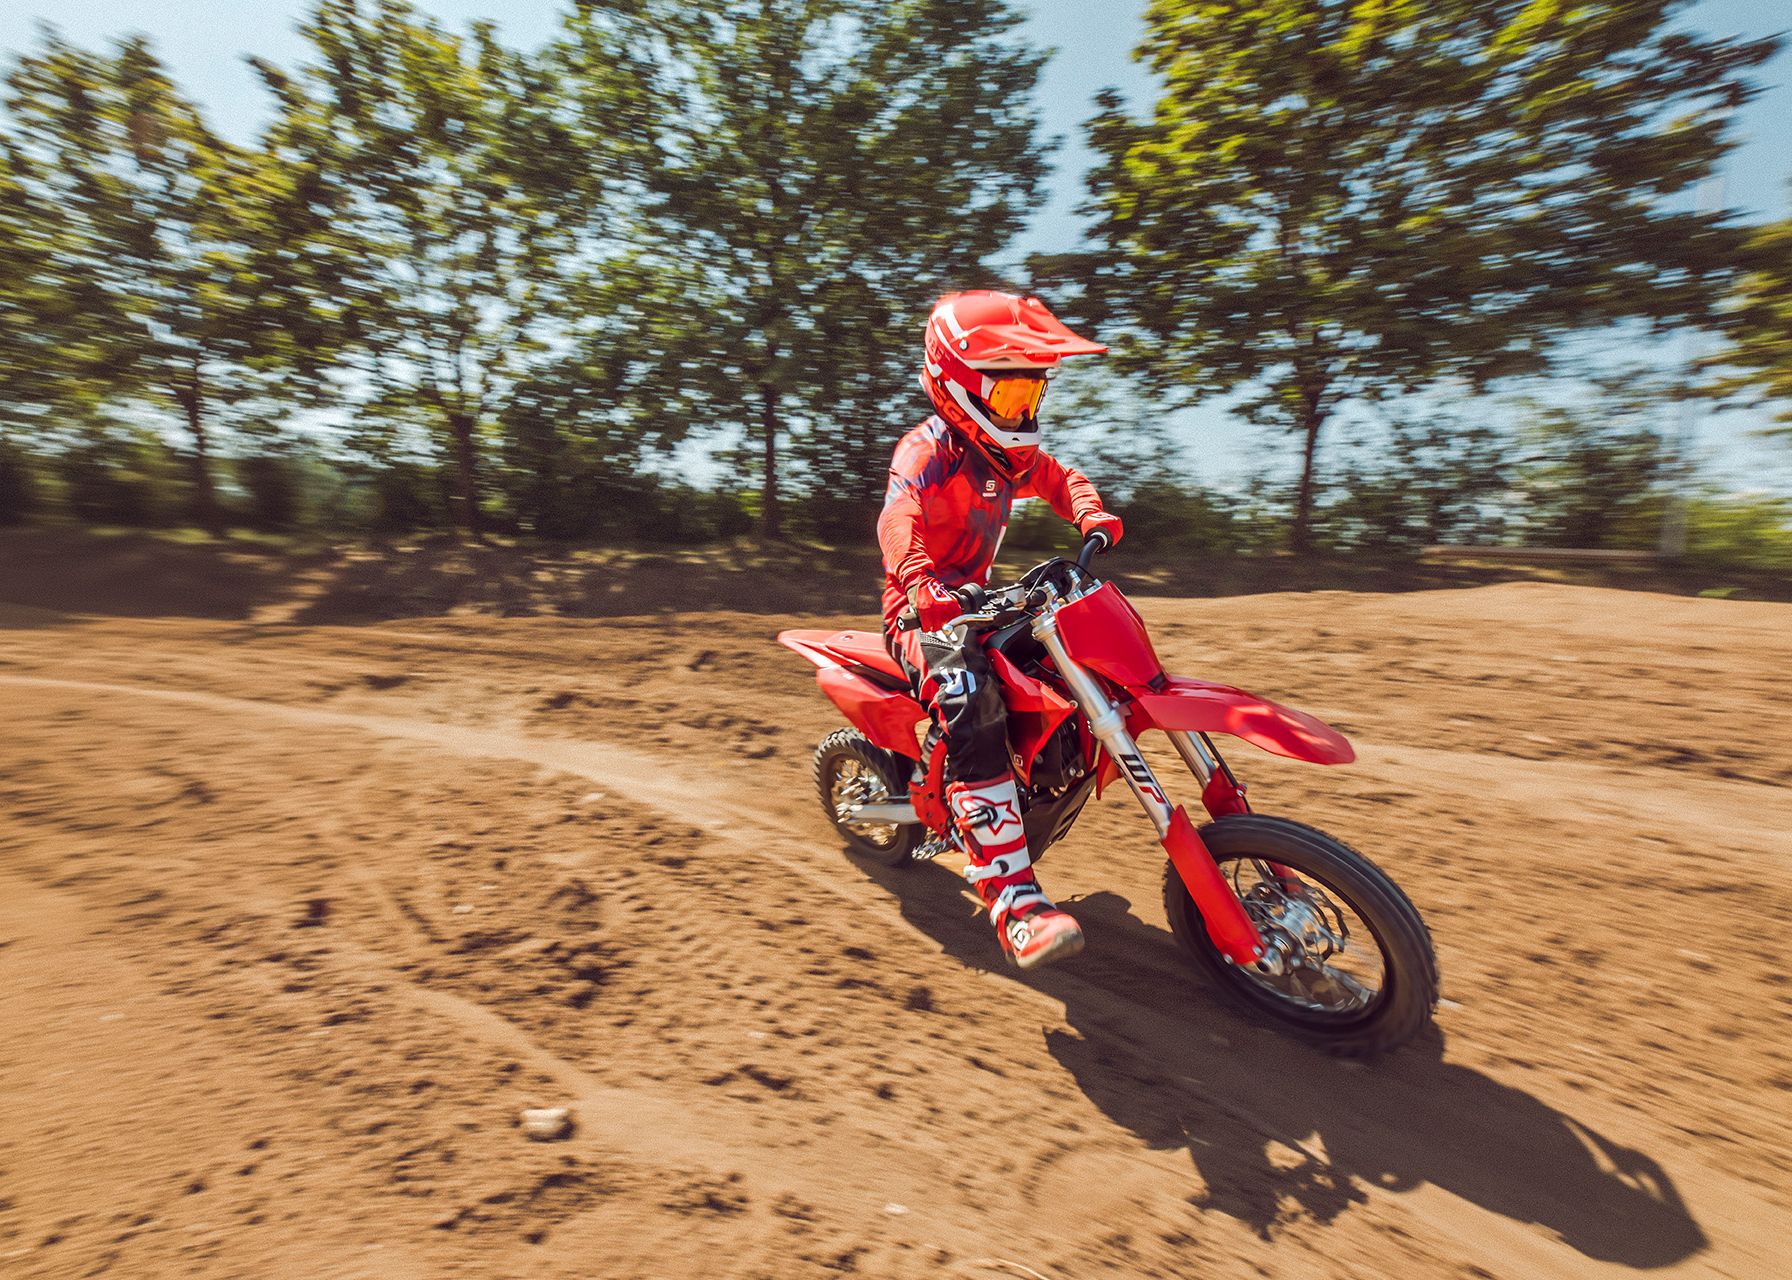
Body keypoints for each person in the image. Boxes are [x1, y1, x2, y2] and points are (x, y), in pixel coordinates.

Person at [878, 290, 1123, 970]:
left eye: (1031, 395)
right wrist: (921, 583)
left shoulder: (1005, 459)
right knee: (971, 702)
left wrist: (1089, 511)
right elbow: (897, 517)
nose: (1023, 412)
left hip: (975, 600)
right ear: (959, 386)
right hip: (919, 610)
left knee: (1064, 661)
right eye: (1011, 395)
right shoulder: (927, 451)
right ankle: (1012, 902)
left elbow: (1059, 475)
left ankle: (1028, 790)